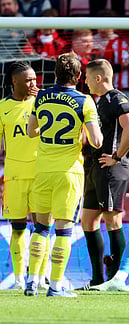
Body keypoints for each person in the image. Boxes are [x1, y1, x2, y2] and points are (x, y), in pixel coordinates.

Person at [25, 52, 103, 297]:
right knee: (64, 229)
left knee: (40, 227)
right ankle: (56, 286)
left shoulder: (42, 97)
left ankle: (31, 281)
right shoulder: (84, 101)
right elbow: (97, 141)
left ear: (54, 73)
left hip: (43, 169)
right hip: (69, 172)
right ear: (79, 76)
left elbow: (31, 131)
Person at [80, 59, 129, 289]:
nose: (85, 81)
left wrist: (116, 156)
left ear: (98, 78)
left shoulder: (117, 98)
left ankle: (116, 280)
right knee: (88, 220)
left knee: (112, 220)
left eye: (87, 77)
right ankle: (97, 280)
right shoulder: (98, 101)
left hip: (112, 167)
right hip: (96, 167)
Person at [0, 62, 49, 291]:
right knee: (18, 228)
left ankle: (39, 276)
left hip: (42, 173)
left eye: (34, 78)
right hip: (15, 176)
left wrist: (44, 102)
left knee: (43, 227)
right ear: (14, 82)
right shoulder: (2, 108)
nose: (33, 83)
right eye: (28, 80)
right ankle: (19, 278)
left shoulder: (46, 103)